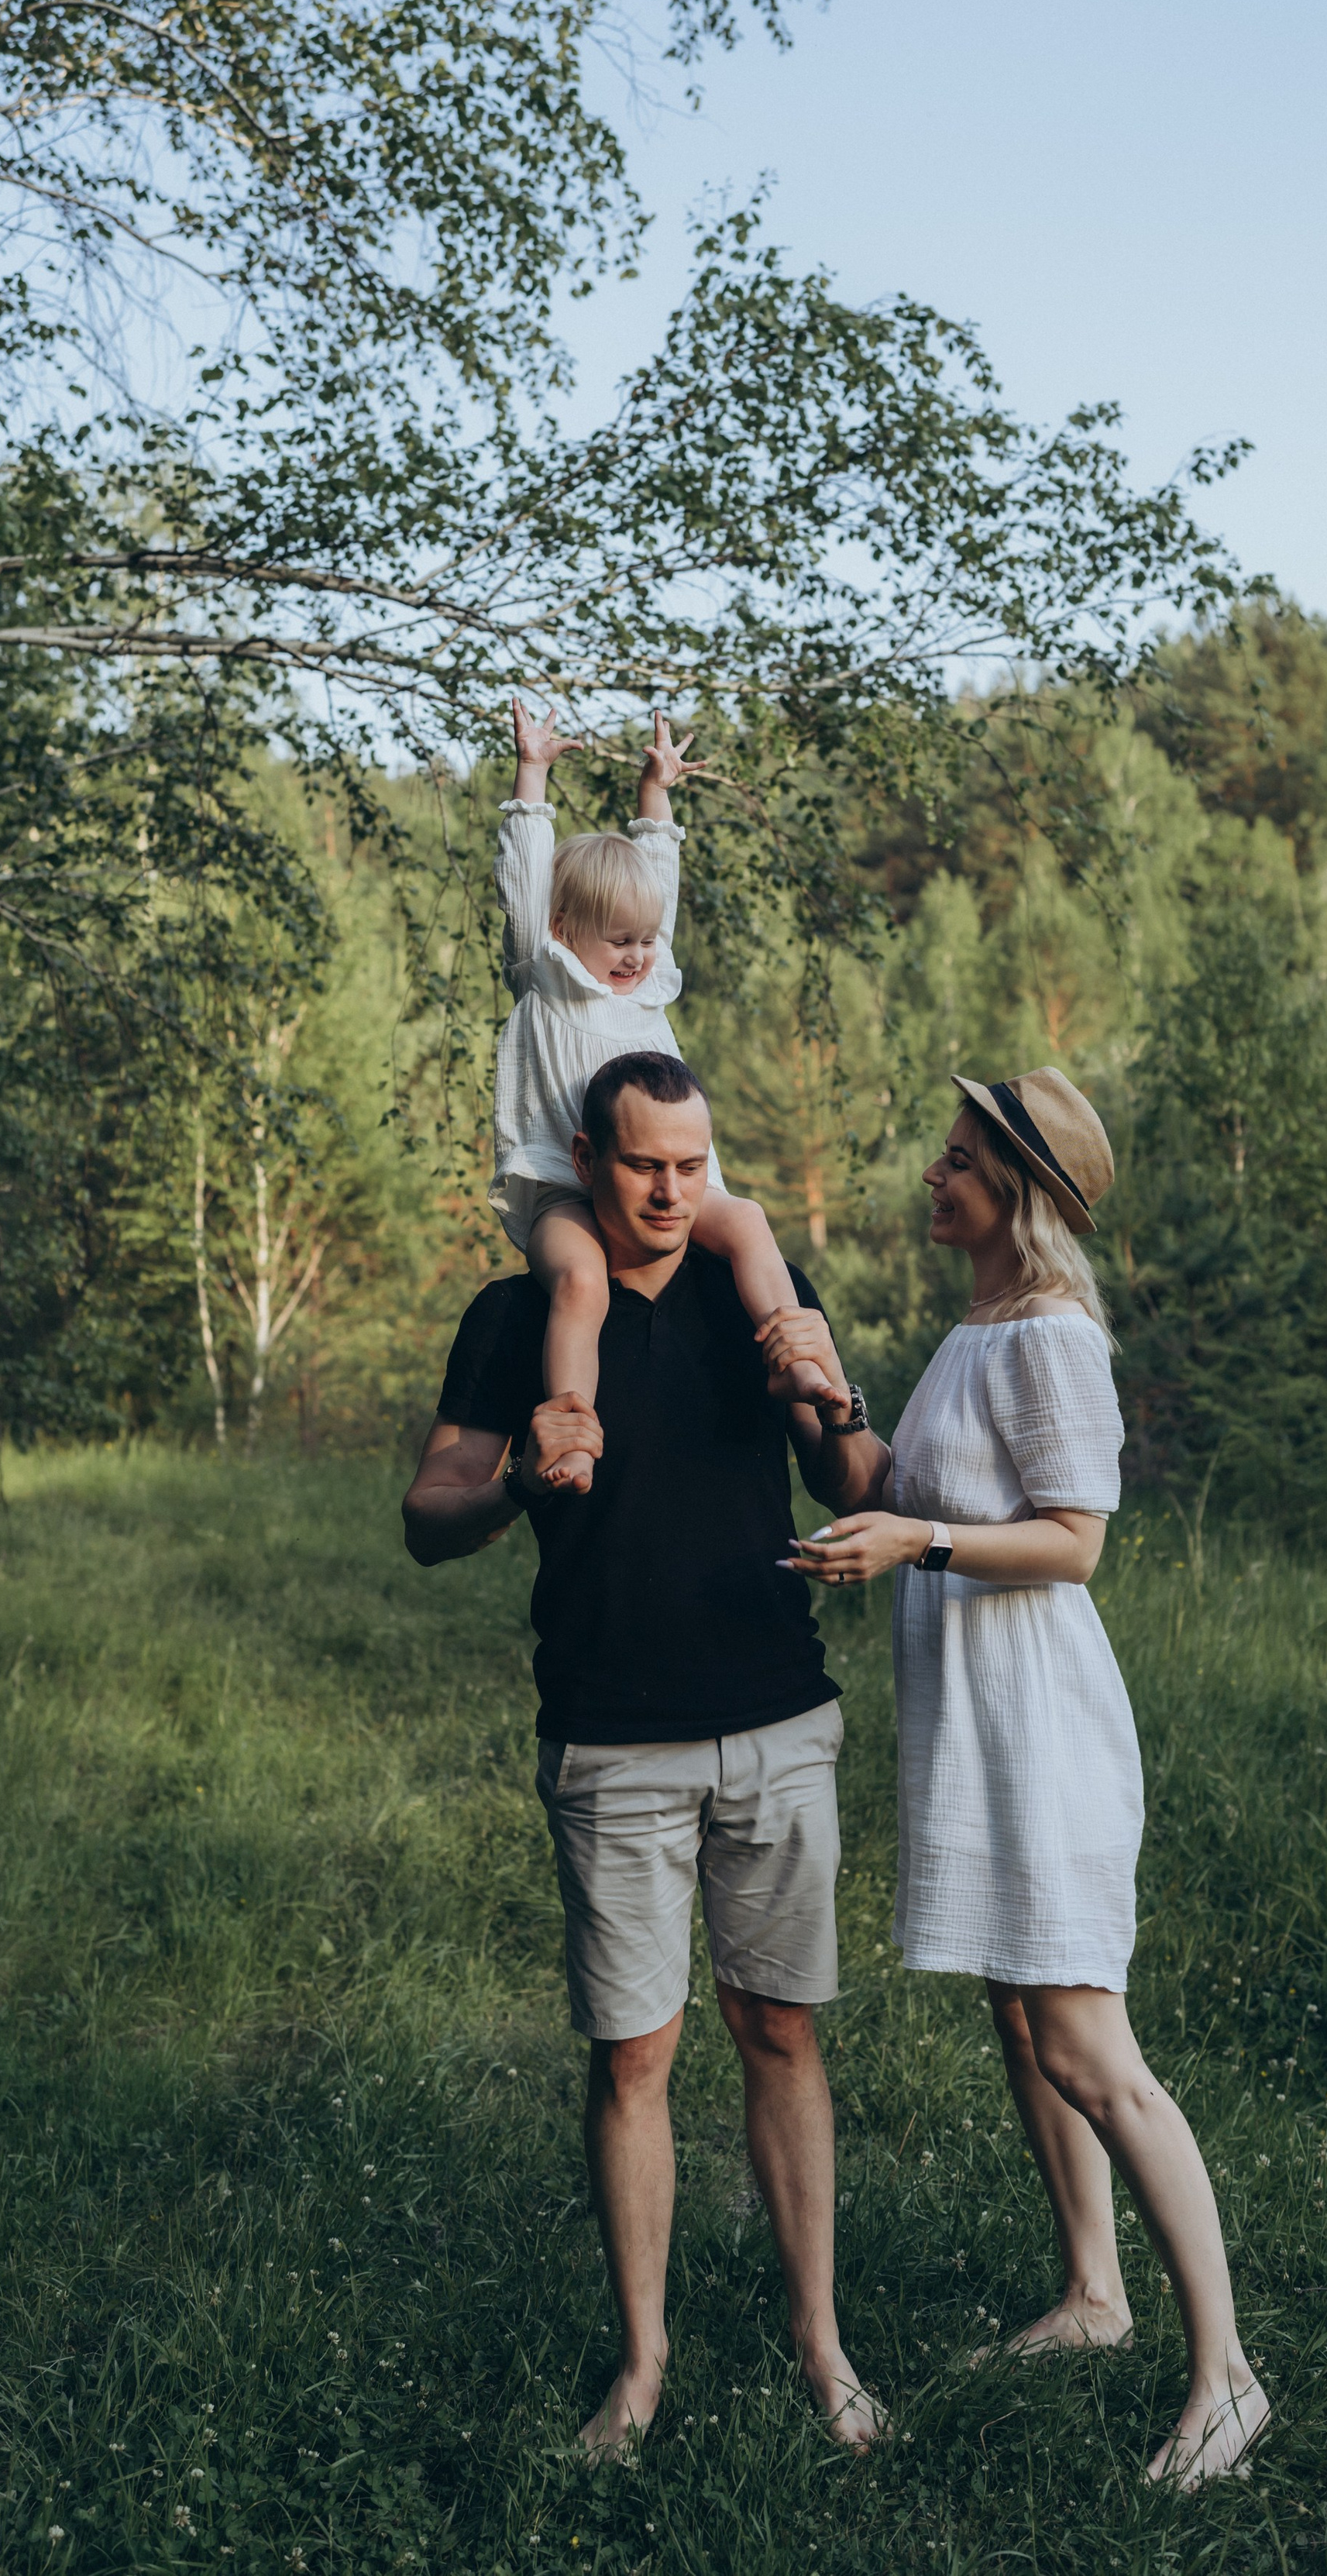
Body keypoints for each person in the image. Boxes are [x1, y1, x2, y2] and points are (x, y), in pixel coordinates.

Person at [773, 1067, 1270, 2489]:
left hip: (1039, 1721)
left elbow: (1070, 1541)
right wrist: (822, 1394)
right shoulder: (974, 1329)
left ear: (1019, 1194)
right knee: (1020, 2011)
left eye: (956, 1164)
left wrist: (915, 1549)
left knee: (1090, 2048)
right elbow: (886, 1482)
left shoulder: (1053, 1336)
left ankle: (1229, 2382)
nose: (932, 1179)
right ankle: (1096, 2298)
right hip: (975, 1726)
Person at [402, 1048, 887, 2460]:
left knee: (780, 2033)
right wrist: (510, 1481)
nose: (672, 1191)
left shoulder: (765, 1302)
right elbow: (427, 1515)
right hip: (612, 1736)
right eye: (642, 1165)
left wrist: (834, 1396)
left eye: (693, 1164)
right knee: (633, 2057)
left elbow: (864, 1491)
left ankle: (824, 2350)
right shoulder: (517, 1316)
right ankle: (642, 2370)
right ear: (586, 1157)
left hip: (779, 1719)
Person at [493, 698, 829, 1489]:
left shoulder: (647, 991)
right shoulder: (546, 976)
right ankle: (573, 1433)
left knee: (746, 1219)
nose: (639, 957)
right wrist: (532, 773)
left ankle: (797, 1362)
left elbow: (659, 887)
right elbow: (521, 878)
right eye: (620, 941)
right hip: (562, 1192)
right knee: (579, 1283)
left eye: (647, 942)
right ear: (563, 925)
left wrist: (658, 795)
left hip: (665, 1182)